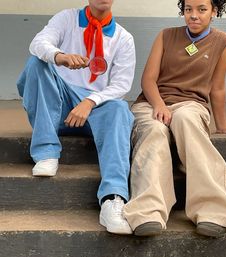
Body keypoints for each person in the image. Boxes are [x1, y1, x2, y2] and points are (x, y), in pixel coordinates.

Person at [17, 0, 136, 235]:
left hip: (94, 113)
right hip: (57, 106)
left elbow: (121, 85)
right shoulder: (67, 18)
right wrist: (58, 56)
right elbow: (38, 43)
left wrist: (90, 101)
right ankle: (47, 151)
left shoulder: (124, 38)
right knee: (36, 63)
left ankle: (113, 198)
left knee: (121, 109)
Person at [123, 0, 226, 237]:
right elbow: (148, 80)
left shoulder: (223, 42)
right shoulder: (166, 36)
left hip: (191, 105)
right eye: (188, 10)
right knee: (155, 130)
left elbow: (217, 88)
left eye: (201, 9)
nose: (194, 15)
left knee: (184, 118)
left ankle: (214, 210)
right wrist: (159, 105)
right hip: (152, 103)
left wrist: (222, 125)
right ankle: (147, 211)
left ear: (214, 11)